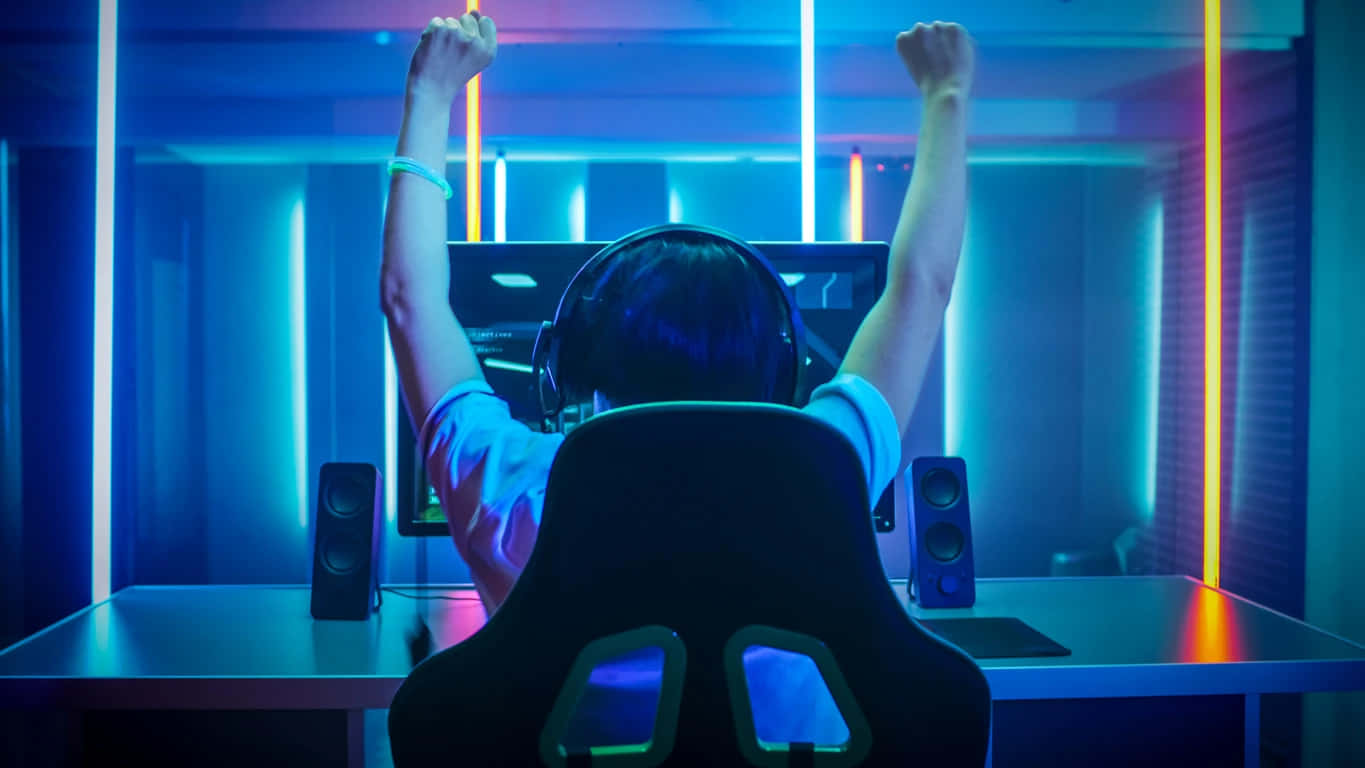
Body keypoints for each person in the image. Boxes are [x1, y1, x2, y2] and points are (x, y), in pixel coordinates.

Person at [382, 9, 974, 747]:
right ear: (777, 374)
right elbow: (921, 282)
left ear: (569, 375)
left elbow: (409, 301)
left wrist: (430, 97)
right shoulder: (828, 468)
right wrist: (946, 94)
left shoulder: (509, 484)